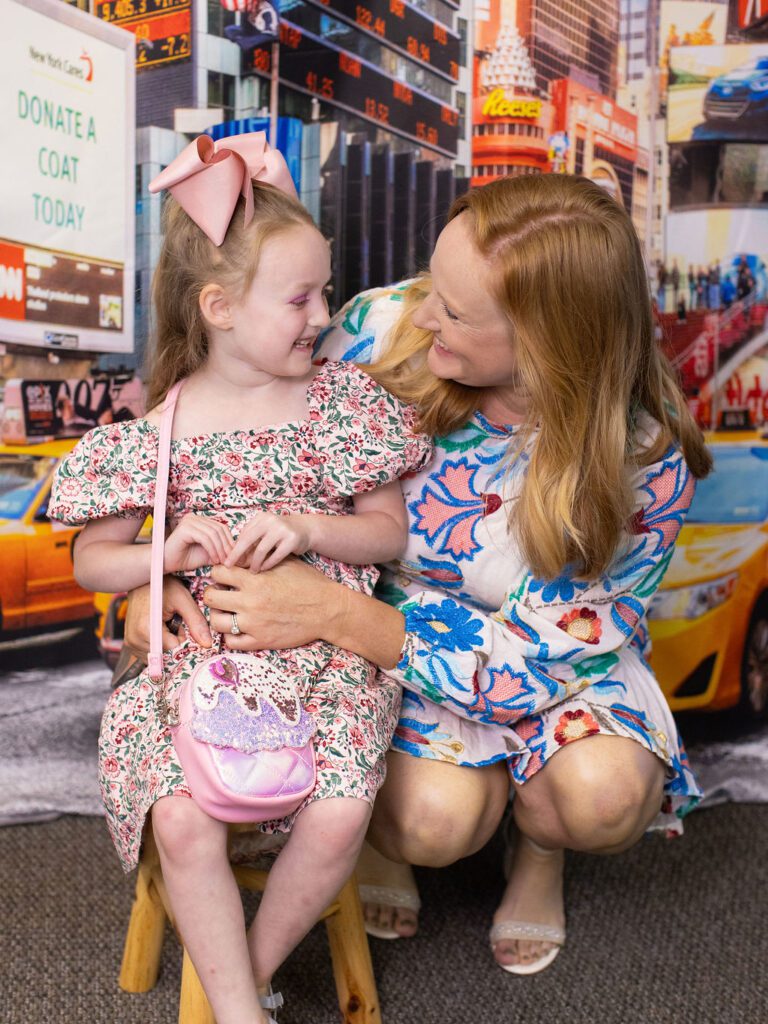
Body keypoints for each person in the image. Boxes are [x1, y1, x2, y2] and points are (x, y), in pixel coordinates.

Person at [125, 173, 712, 981]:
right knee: (435, 821)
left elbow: (527, 669)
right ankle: (397, 829)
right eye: (434, 282)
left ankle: (539, 847)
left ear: (545, 343)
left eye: (457, 310)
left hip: (541, 663)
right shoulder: (379, 326)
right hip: (383, 636)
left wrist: (330, 612)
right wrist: (151, 569)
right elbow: (215, 424)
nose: (422, 310)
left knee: (601, 796)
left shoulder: (643, 461)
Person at [48, 133, 431, 1024]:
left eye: (326, 292)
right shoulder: (164, 424)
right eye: (300, 297)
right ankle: (239, 1012)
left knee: (341, 815)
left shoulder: (341, 403)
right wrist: (169, 551)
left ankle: (241, 978)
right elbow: (90, 562)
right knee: (181, 820)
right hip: (198, 671)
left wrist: (306, 523)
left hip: (328, 669)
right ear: (217, 307)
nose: (322, 314)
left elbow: (388, 534)